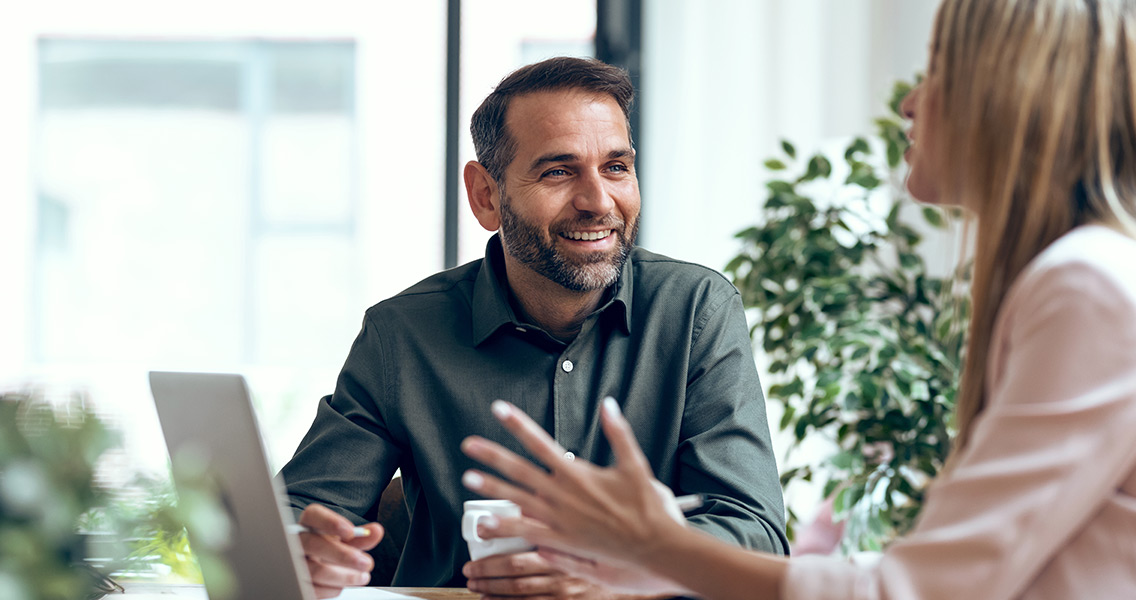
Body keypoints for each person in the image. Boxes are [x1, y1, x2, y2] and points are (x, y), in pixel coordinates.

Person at [458, 1, 1136, 598]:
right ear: (487, 194)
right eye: (557, 170)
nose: (909, 102)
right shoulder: (1080, 279)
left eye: (936, 70)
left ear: (1009, 94)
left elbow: (915, 591)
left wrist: (658, 549)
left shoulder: (1088, 288)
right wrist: (656, 564)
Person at [280, 56, 789, 600]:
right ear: (485, 195)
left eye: (616, 167)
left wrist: (616, 572)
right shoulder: (402, 333)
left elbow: (753, 532)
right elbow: (299, 512)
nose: (598, 202)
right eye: (558, 171)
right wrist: (308, 549)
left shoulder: (696, 311)